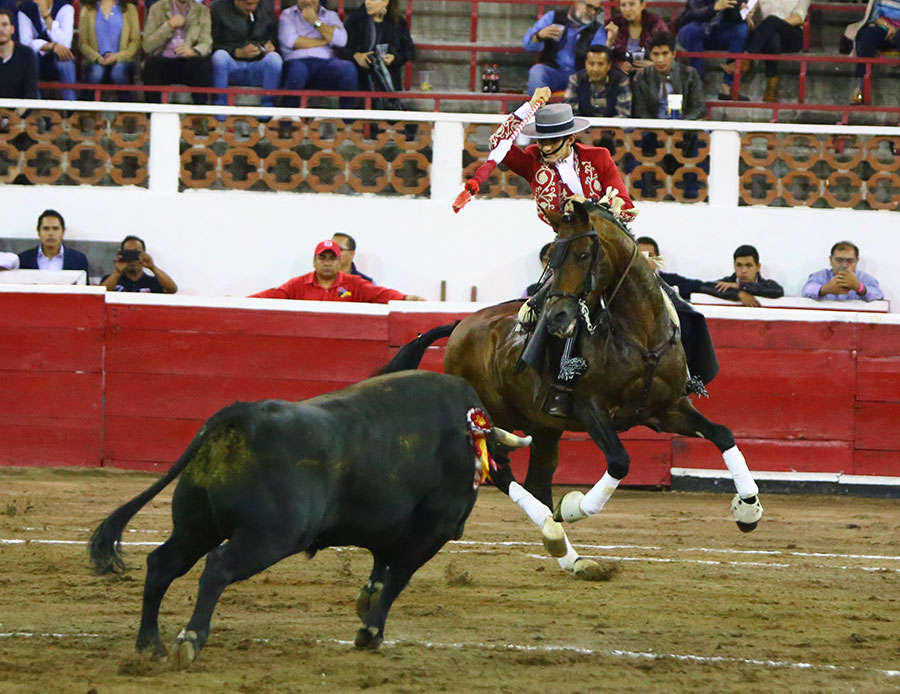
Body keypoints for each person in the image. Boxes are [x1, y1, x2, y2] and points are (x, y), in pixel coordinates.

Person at [489, 86, 635, 228]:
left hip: (606, 238)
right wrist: (529, 106)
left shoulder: (598, 157)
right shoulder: (533, 161)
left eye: (553, 141)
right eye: (542, 141)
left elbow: (627, 209)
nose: (546, 147)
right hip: (568, 242)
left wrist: (588, 205)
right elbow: (497, 144)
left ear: (570, 139)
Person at [251, 239, 425, 302]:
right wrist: (241, 303)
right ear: (314, 261)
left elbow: (379, 294)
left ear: (339, 261)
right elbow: (273, 295)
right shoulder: (297, 285)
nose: (327, 263)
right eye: (322, 258)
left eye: (332, 259)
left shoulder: (354, 284)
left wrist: (405, 298)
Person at [278, 0, 356, 108]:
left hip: (325, 64)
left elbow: (341, 40)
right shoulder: (287, 14)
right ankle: (288, 121)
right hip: (297, 62)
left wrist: (316, 21)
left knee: (348, 68)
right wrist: (325, 40)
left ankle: (346, 121)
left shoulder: (330, 16)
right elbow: (293, 41)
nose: (308, 1)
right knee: (297, 71)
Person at [210, 0, 282, 112]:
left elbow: (273, 37)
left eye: (255, 3)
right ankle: (220, 109)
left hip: (258, 63)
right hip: (232, 63)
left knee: (275, 59)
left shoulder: (266, 7)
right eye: (248, 3)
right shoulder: (218, 9)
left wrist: (270, 46)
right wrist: (236, 52)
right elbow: (212, 43)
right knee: (219, 57)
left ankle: (267, 109)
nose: (252, 7)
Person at [522, 0, 608, 93]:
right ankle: (538, 106)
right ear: (577, 2)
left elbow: (599, 57)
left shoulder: (597, 29)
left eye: (597, 9)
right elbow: (527, 45)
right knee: (537, 72)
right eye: (589, 7)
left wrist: (609, 42)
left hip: (580, 75)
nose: (593, 12)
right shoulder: (553, 17)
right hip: (553, 71)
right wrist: (539, 36)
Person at [338, 0, 414, 103]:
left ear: (385, 2)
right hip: (360, 80)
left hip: (387, 80)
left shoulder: (398, 23)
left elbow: (409, 51)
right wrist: (356, 55)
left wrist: (394, 58)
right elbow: (340, 48)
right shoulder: (355, 20)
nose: (367, 3)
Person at [142, 0, 213, 104]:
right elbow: (147, 46)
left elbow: (207, 42)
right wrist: (169, 25)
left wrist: (194, 51)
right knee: (152, 64)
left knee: (201, 65)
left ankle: (199, 116)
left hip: (189, 60)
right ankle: (152, 115)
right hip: (163, 60)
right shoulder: (157, 8)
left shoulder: (202, 11)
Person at [675, 0, 749, 99]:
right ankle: (697, 86)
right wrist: (714, 7)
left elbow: (736, 18)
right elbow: (694, 14)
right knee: (693, 31)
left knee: (741, 30)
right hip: (694, 29)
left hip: (719, 32)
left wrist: (743, 12)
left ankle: (728, 86)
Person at [744, 0, 809, 102]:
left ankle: (746, 58)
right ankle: (771, 86)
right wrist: (748, 16)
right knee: (772, 36)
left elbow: (798, 18)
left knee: (771, 22)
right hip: (766, 36)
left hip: (792, 35)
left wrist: (773, 25)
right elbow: (746, 10)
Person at [632, 32, 705, 119]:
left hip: (684, 125)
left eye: (665, 54)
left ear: (673, 54)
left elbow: (699, 107)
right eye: (655, 54)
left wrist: (682, 125)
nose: (660, 59)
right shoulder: (643, 76)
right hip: (653, 127)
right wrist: (655, 128)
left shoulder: (689, 73)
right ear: (650, 55)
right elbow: (640, 110)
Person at [78, 0, 140, 99]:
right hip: (97, 60)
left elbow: (135, 41)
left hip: (122, 60)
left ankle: (128, 111)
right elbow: (83, 42)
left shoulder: (130, 9)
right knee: (96, 73)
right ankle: (86, 112)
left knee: (118, 72)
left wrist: (118, 56)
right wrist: (97, 57)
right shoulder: (87, 9)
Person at [18, 0, 76, 100]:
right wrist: (51, 46)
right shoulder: (25, 9)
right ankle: (35, 109)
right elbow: (25, 43)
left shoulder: (65, 8)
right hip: (36, 58)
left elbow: (65, 44)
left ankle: (71, 107)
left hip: (57, 58)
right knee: (30, 57)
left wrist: (46, 15)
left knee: (66, 61)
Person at [845, 0, 900, 104]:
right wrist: (888, 26)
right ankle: (860, 87)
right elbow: (876, 17)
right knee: (868, 35)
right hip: (886, 29)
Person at [695, 244, 784, 307]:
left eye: (749, 265)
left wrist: (740, 286)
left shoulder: (767, 285)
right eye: (739, 265)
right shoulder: (727, 282)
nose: (743, 271)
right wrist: (739, 294)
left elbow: (777, 290)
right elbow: (704, 287)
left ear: (758, 267)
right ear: (734, 265)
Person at [563, 43, 632, 117]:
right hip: (584, 126)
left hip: (612, 126)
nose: (595, 69)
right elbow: (570, 113)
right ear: (585, 64)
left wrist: (605, 128)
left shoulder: (621, 80)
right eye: (591, 64)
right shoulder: (575, 79)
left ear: (609, 65)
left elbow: (624, 114)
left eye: (600, 64)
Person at [801, 241, 884, 302]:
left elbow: (878, 296)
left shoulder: (865, 278)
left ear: (857, 260)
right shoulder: (820, 276)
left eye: (850, 260)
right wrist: (826, 289)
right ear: (830, 260)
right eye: (839, 260)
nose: (844, 265)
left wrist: (859, 288)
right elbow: (806, 291)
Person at [17, 209, 90, 274]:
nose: (51, 233)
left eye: (55, 228)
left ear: (63, 231)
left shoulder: (78, 259)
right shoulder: (23, 259)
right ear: (38, 232)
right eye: (46, 229)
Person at [605, 0, 668, 76]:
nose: (627, 9)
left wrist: (654, 65)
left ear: (642, 5)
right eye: (623, 5)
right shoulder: (614, 24)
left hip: (651, 76)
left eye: (632, 4)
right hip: (619, 76)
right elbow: (601, 56)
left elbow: (668, 54)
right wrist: (618, 64)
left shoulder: (655, 23)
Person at [100, 235, 178, 293]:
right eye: (129, 253)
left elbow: (172, 290)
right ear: (122, 254)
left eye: (137, 253)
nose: (133, 257)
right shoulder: (111, 280)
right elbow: (100, 294)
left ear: (144, 254)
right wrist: (118, 271)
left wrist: (152, 267)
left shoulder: (153, 282)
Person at [636, 236, 703, 300]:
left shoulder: (670, 280)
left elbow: (697, 285)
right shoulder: (627, 282)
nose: (645, 259)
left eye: (649, 255)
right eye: (641, 255)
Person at [0, 8, 38, 99]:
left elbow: (31, 92)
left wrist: (14, 114)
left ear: (12, 29)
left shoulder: (26, 54)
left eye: (4, 25)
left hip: (20, 110)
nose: (0, 29)